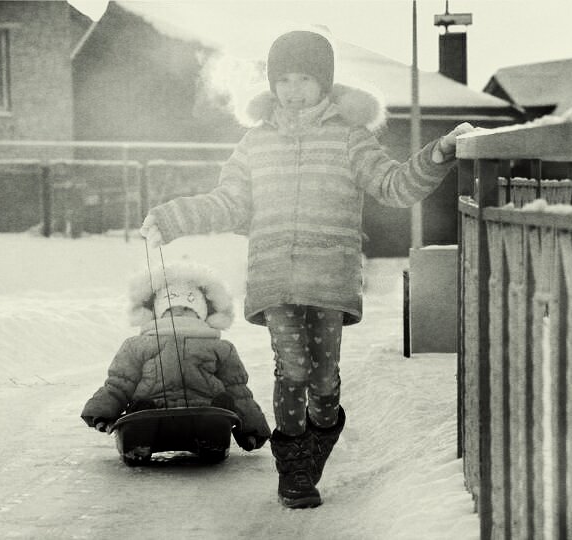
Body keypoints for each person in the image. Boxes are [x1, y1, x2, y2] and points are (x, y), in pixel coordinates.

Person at [139, 30, 473, 507]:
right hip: (274, 277)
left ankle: (324, 427)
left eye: (305, 79)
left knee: (322, 380)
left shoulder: (350, 139)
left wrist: (437, 153)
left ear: (325, 83)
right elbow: (229, 203)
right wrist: (172, 219)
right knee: (291, 368)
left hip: (329, 279)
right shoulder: (255, 143)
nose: (293, 90)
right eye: (284, 79)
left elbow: (394, 186)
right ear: (273, 83)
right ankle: (294, 471)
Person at [81, 262, 271, 458]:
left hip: (205, 411)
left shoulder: (220, 348)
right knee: (139, 416)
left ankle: (211, 442)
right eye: (170, 309)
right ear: (157, 313)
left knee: (220, 409)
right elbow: (120, 383)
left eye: (188, 309)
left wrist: (251, 430)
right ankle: (138, 443)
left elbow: (237, 391)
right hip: (151, 412)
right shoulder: (137, 345)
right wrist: (102, 412)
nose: (179, 313)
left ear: (203, 314)